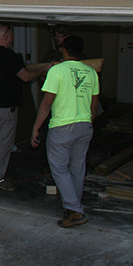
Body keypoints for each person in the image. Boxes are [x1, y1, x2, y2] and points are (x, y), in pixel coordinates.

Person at [32, 35, 99, 228]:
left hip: (62, 127)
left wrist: (36, 127)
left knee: (59, 168)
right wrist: (87, 124)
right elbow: (94, 106)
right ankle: (72, 208)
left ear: (64, 50)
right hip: (84, 125)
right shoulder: (91, 72)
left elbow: (46, 104)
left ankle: (75, 210)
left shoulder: (57, 70)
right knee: (77, 168)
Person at [0, 24, 48, 190]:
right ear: (7, 37)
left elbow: (0, 72)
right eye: (12, 37)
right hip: (5, 107)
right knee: (3, 143)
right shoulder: (9, 56)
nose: (13, 40)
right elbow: (25, 77)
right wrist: (43, 69)